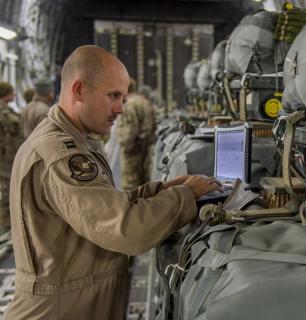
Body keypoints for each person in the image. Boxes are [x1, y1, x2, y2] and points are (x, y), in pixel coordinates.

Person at [5, 45, 220, 320]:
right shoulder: (60, 156)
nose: (120, 108)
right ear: (79, 90)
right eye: (113, 96)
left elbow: (102, 204)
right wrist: (185, 197)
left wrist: (160, 191)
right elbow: (126, 230)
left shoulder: (78, 140)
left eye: (123, 97)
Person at [117, 81, 156, 190]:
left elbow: (129, 131)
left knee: (130, 186)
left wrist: (125, 146)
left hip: (132, 151)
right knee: (145, 186)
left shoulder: (130, 105)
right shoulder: (144, 102)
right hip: (146, 149)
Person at [0, 81, 22, 232]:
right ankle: (5, 224)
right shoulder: (5, 113)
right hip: (6, 157)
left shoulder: (8, 111)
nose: (14, 94)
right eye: (11, 92)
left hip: (9, 155)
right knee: (7, 190)